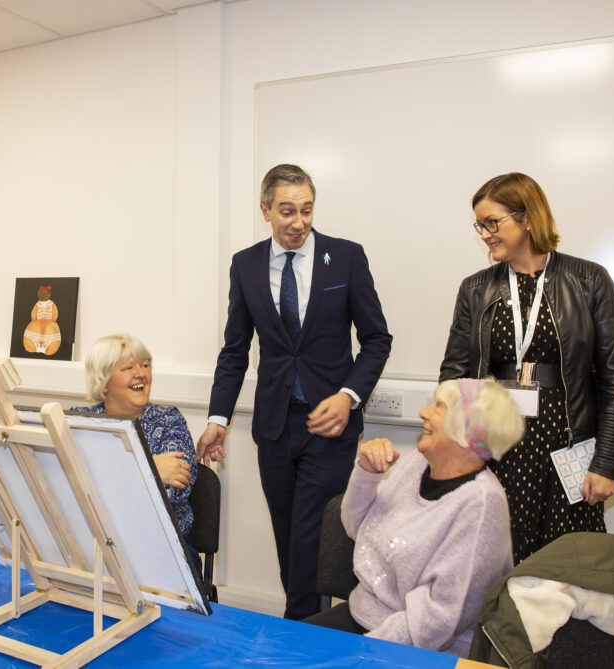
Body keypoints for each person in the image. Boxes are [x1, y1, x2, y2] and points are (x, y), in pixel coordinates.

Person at [196, 164, 392, 619]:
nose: (298, 222)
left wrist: (348, 395)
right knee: (289, 538)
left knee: (309, 538)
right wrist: (217, 419)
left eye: (306, 210)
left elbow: (378, 340)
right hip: (275, 426)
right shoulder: (245, 264)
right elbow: (235, 349)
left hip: (330, 426)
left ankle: (298, 639)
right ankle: (310, 626)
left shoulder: (345, 257)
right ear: (265, 210)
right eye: (287, 211)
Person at [439, 172, 614, 564]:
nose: (485, 234)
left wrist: (607, 463)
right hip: (496, 451)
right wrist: (455, 448)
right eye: (480, 225)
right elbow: (454, 376)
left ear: (527, 217)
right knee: (494, 566)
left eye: (493, 222)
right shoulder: (476, 289)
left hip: (565, 450)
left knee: (565, 572)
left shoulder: (588, 280)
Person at [303, 378, 524, 657]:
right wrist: (367, 474)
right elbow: (354, 527)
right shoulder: (417, 465)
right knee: (279, 654)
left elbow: (436, 623)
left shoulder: (481, 507)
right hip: (363, 619)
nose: (424, 412)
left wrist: (362, 652)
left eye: (439, 407)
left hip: (426, 650)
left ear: (466, 431)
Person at [70, 334, 200, 571]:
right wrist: (150, 467)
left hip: (164, 550)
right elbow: (69, 487)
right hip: (95, 544)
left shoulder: (169, 420)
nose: (140, 373)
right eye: (128, 367)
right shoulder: (80, 421)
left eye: (144, 365)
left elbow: (172, 492)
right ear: (104, 381)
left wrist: (102, 474)